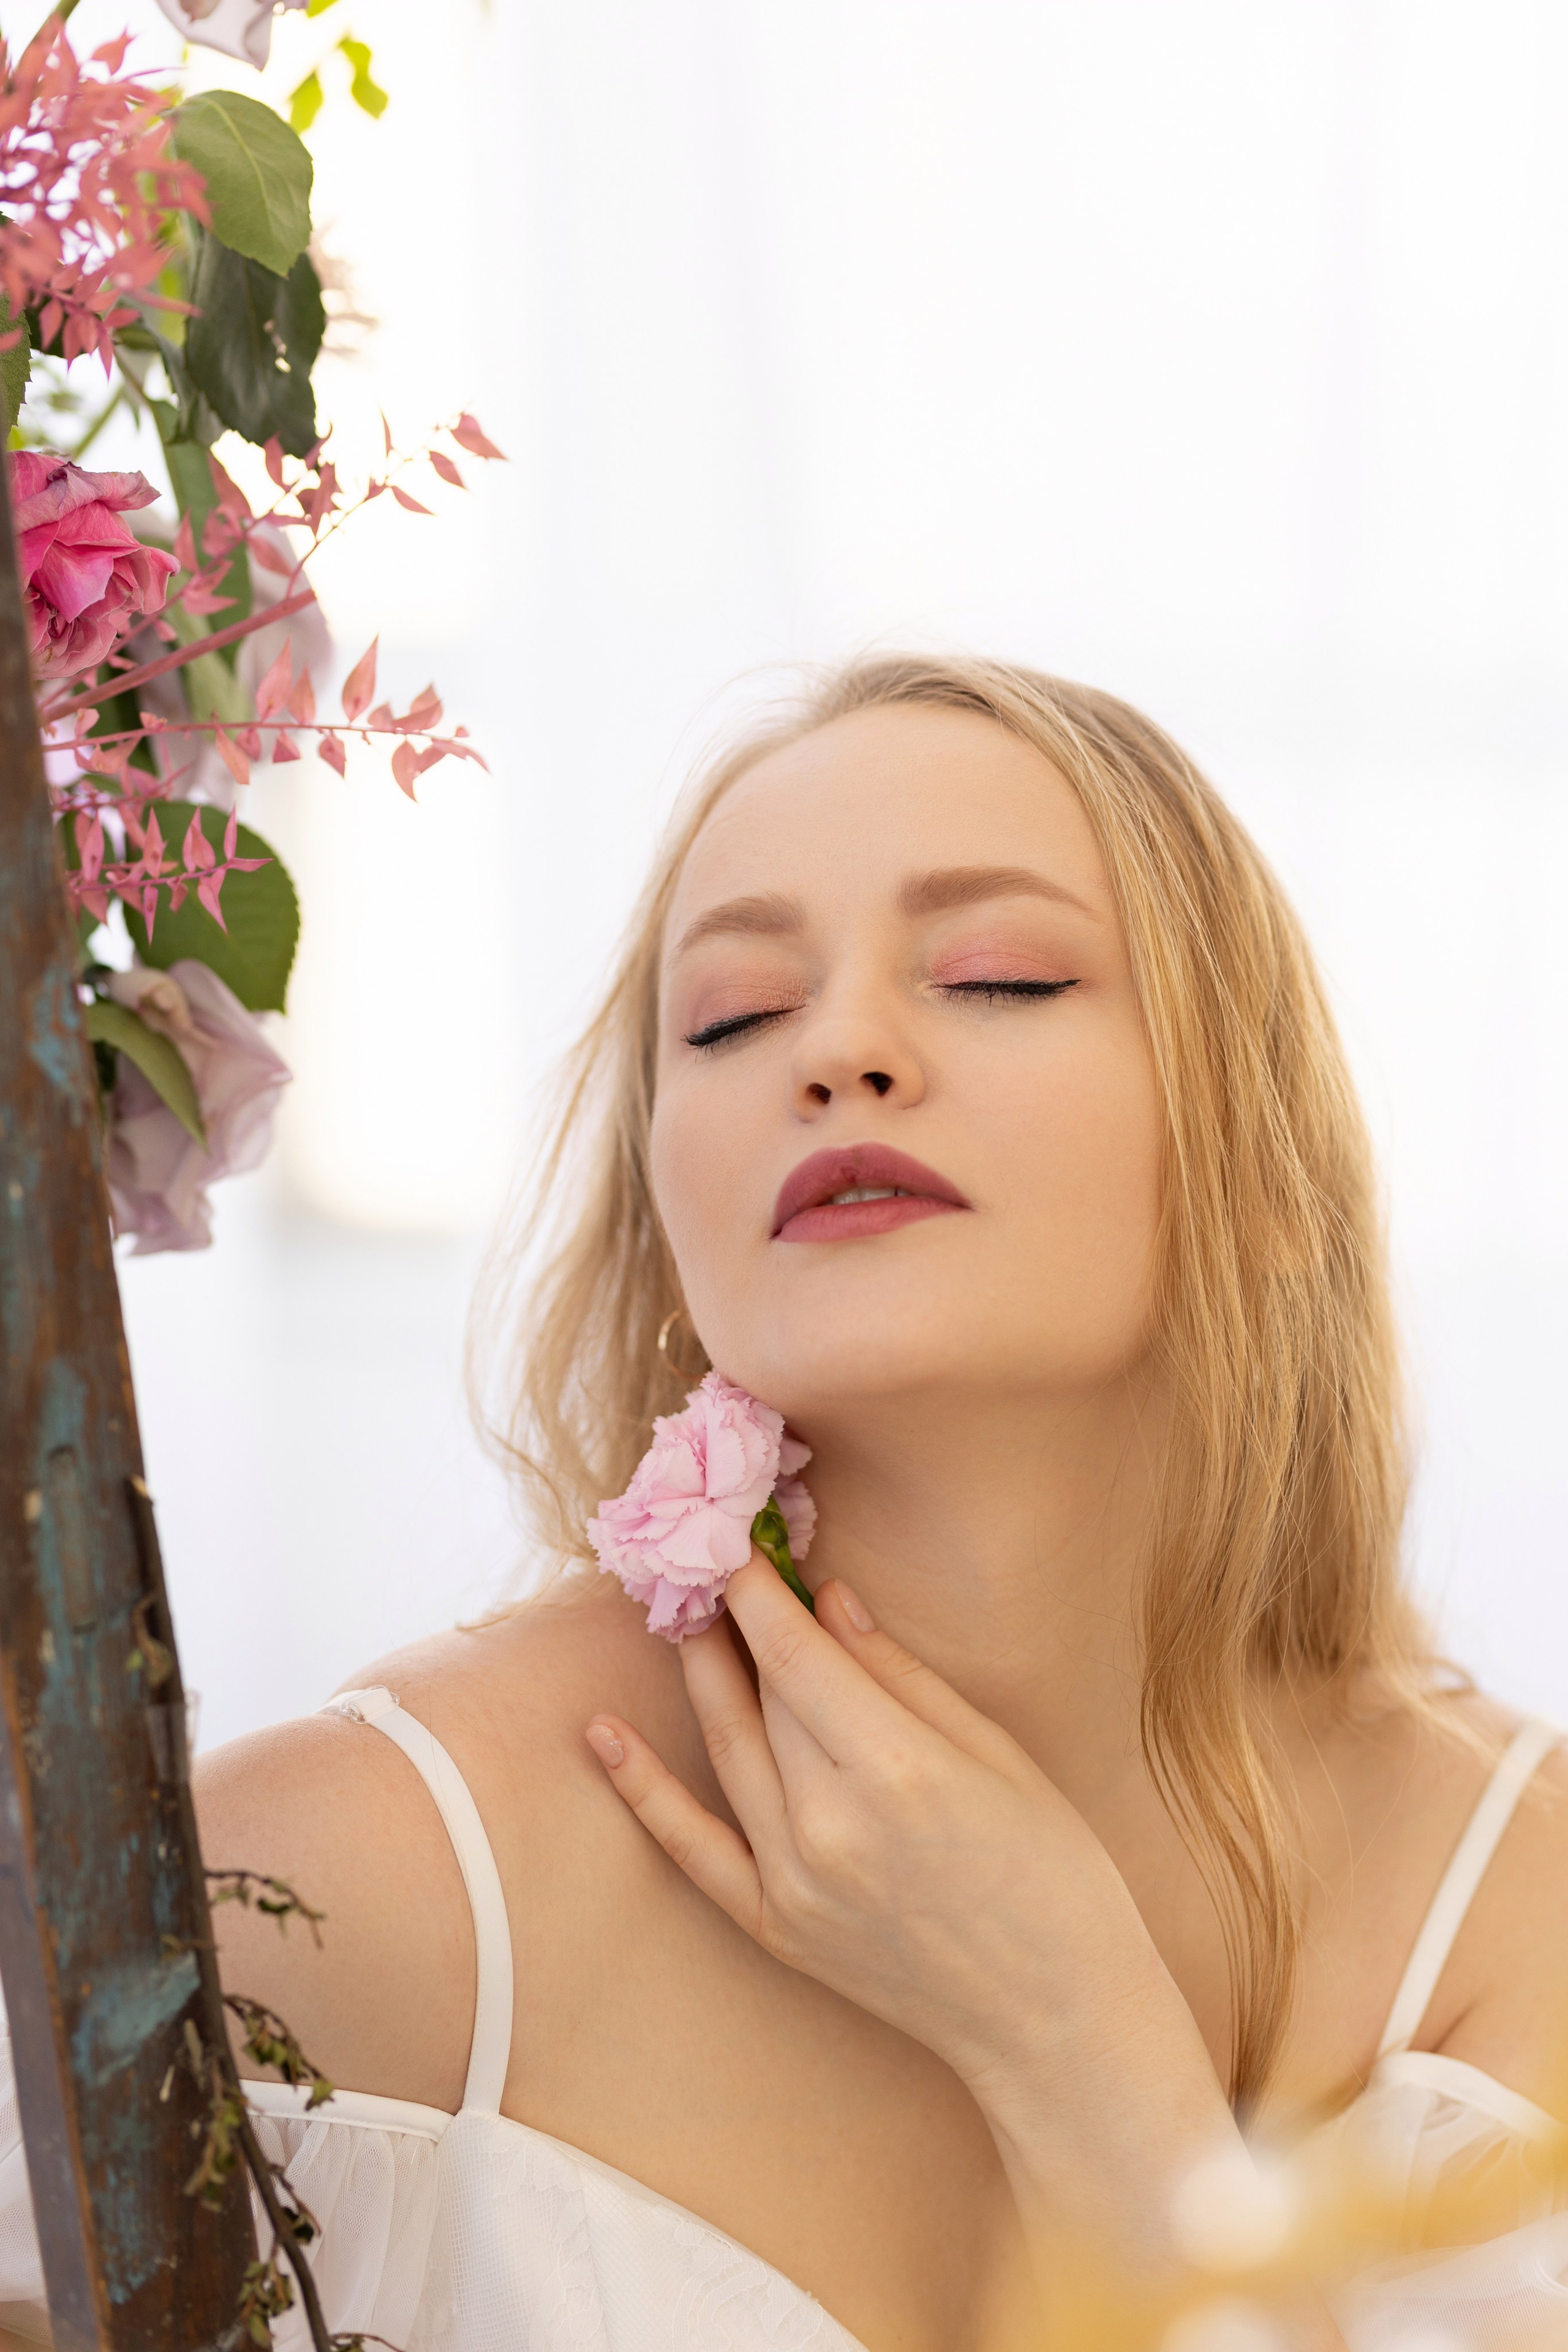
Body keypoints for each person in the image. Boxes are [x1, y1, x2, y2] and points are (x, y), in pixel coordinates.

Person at [4, 656, 1565, 2351]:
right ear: (670, 1222)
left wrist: (1082, 2042)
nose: (839, 1052)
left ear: (1262, 1170)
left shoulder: (1517, 1909)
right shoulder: (338, 1881)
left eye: (999, 977)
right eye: (737, 1015)